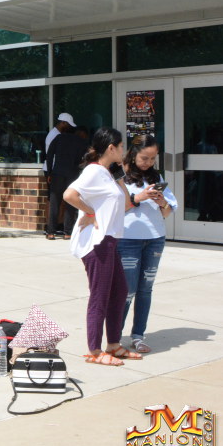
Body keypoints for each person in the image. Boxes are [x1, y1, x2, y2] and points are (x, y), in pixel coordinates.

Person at [63, 126, 143, 366]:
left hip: (110, 241)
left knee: (119, 291)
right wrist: (91, 212)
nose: (124, 151)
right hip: (96, 242)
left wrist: (120, 177)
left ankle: (114, 345)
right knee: (100, 295)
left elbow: (126, 204)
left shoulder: (107, 173)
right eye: (121, 146)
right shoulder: (93, 171)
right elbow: (69, 195)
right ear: (111, 148)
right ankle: (95, 350)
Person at [118, 135, 178, 354]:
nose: (148, 163)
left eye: (153, 158)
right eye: (145, 158)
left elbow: (167, 212)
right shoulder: (120, 175)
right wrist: (139, 197)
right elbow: (112, 208)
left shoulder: (155, 176)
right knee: (127, 291)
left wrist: (162, 202)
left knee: (145, 290)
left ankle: (138, 336)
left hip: (154, 239)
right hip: (127, 239)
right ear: (134, 153)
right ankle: (115, 338)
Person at [45, 124, 89, 240]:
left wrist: (49, 172)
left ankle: (51, 232)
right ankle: (67, 232)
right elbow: (85, 160)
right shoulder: (82, 142)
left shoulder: (59, 138)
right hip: (73, 175)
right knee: (70, 204)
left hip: (57, 173)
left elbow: (49, 154)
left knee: (55, 203)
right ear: (81, 133)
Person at [45, 113, 77, 235]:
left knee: (58, 200)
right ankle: (50, 227)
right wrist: (50, 172)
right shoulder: (54, 135)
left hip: (56, 171)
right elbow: (50, 155)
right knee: (53, 200)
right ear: (63, 123)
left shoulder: (58, 135)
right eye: (68, 125)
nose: (69, 128)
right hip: (54, 171)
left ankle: (55, 227)